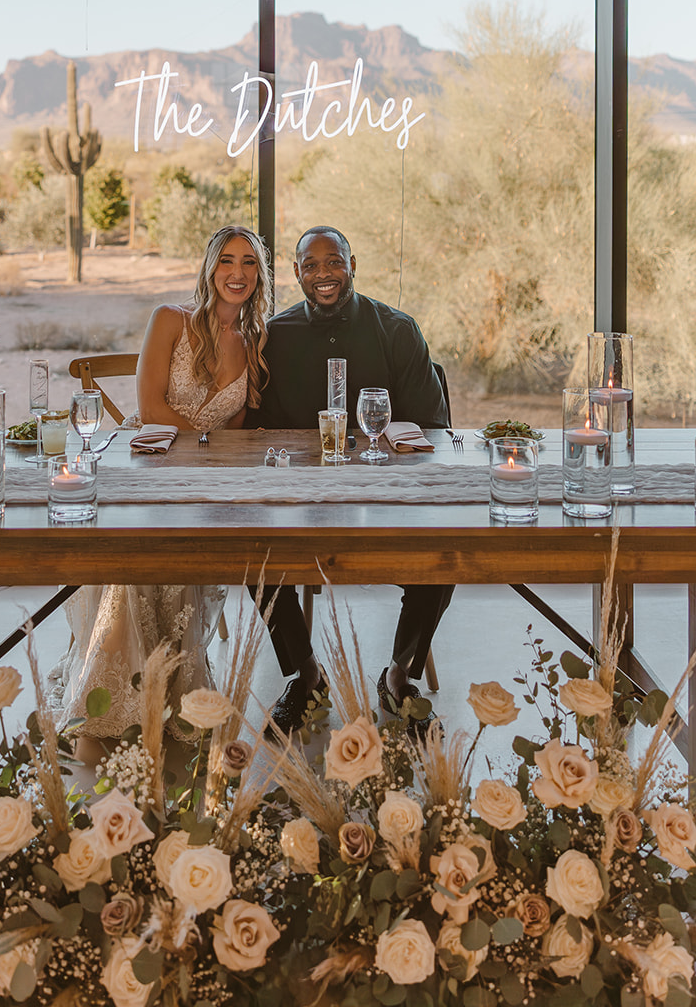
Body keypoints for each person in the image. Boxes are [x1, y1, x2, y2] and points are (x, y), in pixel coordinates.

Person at [50, 224, 272, 742]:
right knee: (134, 557)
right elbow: (150, 411)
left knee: (191, 543)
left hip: (203, 479)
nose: (237, 273)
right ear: (209, 269)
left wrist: (212, 458)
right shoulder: (169, 319)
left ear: (259, 276)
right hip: (144, 465)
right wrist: (205, 442)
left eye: (249, 263)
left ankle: (167, 690)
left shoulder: (256, 342)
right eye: (226, 261)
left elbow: (237, 433)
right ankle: (110, 695)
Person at [252, 224, 452, 734]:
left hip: (384, 496)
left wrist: (380, 455)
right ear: (296, 273)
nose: (324, 275)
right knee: (252, 554)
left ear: (353, 263)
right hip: (300, 500)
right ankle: (306, 674)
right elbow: (258, 433)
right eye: (312, 265)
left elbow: (433, 429)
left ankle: (400, 675)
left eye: (334, 262)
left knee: (444, 555)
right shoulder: (275, 337)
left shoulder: (397, 330)